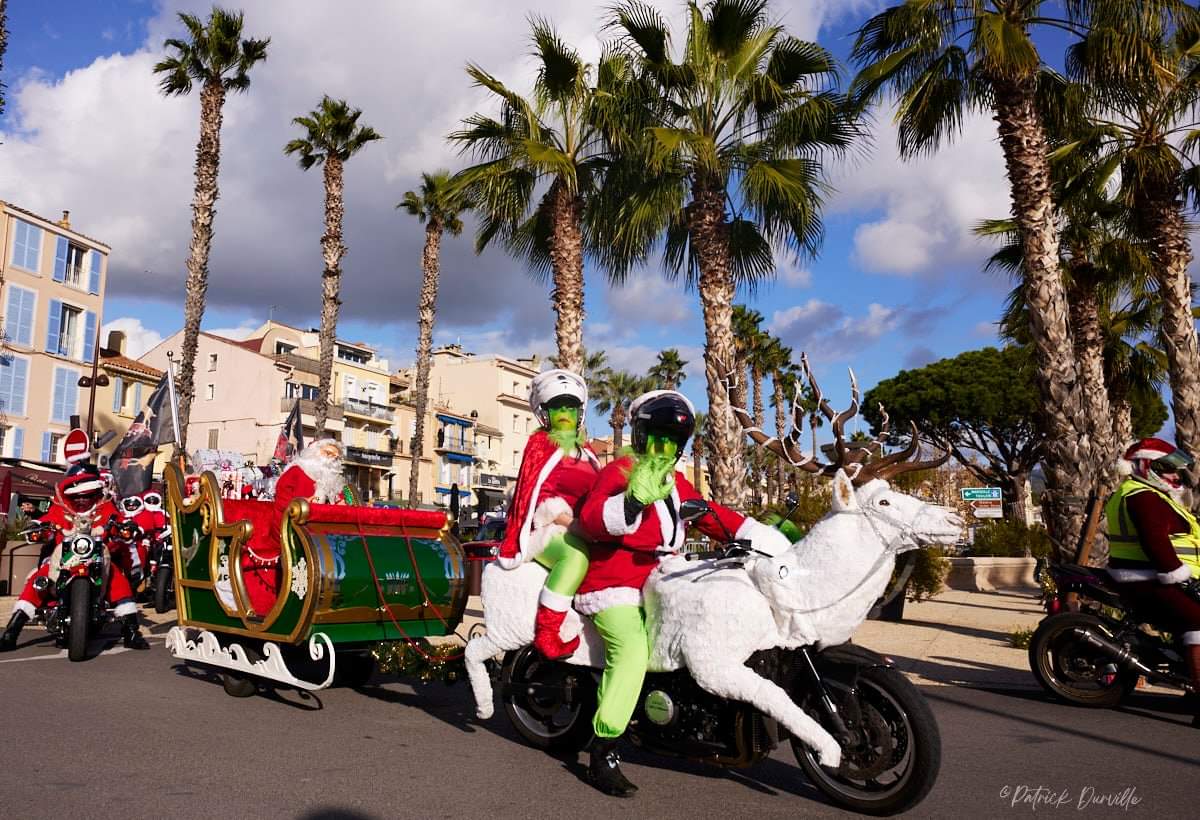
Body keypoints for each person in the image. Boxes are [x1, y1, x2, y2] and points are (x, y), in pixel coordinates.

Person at [576, 390, 791, 796]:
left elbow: (710, 515)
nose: (665, 448)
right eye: (657, 439)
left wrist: (759, 535)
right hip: (614, 585)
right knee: (632, 652)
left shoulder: (676, 482)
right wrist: (632, 500)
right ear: (640, 437)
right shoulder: (620, 471)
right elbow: (591, 519)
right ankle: (603, 749)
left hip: (664, 579)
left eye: (673, 442)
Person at [497, 369, 600, 659]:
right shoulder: (539, 445)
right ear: (546, 413)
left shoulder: (587, 451)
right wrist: (569, 522)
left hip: (585, 528)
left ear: (579, 412)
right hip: (547, 530)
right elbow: (536, 495)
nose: (564, 413)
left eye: (570, 406)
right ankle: (548, 631)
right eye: (557, 407)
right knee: (575, 557)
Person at [1105, 437, 1200, 726]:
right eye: (1168, 468)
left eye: (1176, 469)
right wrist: (1179, 576)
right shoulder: (1142, 497)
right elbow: (1155, 543)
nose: (1175, 475)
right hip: (1147, 578)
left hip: (1152, 575)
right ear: (1145, 466)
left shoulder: (1147, 493)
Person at [1, 466, 147, 652]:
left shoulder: (106, 506)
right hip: (65, 555)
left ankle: (131, 632)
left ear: (95, 492)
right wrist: (39, 527)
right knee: (39, 580)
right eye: (76, 495)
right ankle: (11, 633)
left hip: (98, 555)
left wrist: (124, 526)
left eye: (86, 495)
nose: (81, 499)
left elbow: (117, 520)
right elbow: (47, 520)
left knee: (118, 580)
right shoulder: (61, 508)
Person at [238, 439, 346, 615]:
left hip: (324, 534)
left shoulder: (334, 481)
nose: (331, 459)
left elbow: (341, 504)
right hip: (291, 530)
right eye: (328, 453)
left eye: (336, 456)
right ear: (314, 452)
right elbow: (283, 505)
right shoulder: (296, 472)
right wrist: (305, 505)